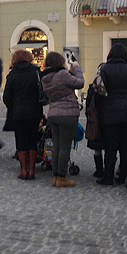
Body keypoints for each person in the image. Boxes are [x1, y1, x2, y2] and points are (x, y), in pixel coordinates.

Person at [96, 43, 127, 185]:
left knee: (110, 147)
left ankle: (107, 176)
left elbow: (98, 90)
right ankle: (124, 177)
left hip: (109, 114)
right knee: (126, 147)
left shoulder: (104, 70)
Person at [41, 51, 85, 187]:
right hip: (68, 113)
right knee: (65, 147)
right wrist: (76, 68)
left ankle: (55, 176)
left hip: (53, 113)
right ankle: (61, 177)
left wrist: (70, 73)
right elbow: (80, 83)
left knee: (57, 146)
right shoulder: (62, 74)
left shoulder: (45, 78)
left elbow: (62, 85)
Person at [2, 49, 44, 180]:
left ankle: (23, 170)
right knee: (33, 139)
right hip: (35, 111)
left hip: (18, 113)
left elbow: (6, 98)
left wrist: (14, 105)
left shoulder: (12, 75)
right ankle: (32, 170)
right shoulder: (36, 72)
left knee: (21, 141)